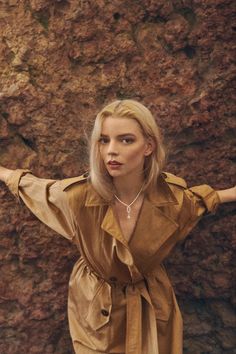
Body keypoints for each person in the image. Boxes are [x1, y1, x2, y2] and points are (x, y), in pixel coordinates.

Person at [0, 99, 235, 354]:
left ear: (148, 146)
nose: (112, 151)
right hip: (97, 305)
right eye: (104, 140)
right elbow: (35, 188)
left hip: (151, 303)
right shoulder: (77, 197)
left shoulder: (172, 199)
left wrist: (230, 194)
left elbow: (199, 200)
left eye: (126, 140)